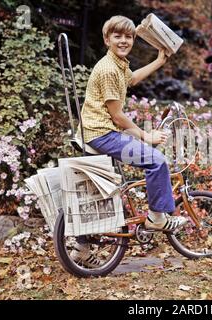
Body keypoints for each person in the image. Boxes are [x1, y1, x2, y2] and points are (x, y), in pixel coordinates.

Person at [71, 15, 187, 267]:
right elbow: (117, 115)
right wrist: (146, 135)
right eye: (117, 36)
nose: (124, 41)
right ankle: (157, 217)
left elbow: (131, 79)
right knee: (156, 161)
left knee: (97, 192)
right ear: (106, 39)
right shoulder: (109, 69)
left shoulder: (118, 63)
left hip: (95, 131)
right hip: (102, 133)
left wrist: (158, 60)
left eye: (129, 36)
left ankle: (81, 247)